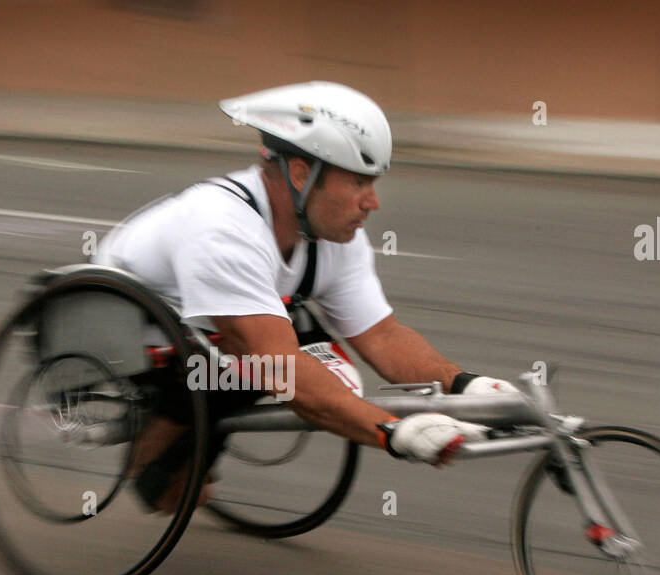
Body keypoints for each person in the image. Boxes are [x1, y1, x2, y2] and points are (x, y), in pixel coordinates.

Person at [94, 81, 519, 513]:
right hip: (123, 339)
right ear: (301, 173)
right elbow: (280, 367)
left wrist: (468, 385)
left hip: (213, 337)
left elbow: (383, 337)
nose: (372, 202)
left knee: (290, 343)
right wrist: (392, 432)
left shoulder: (335, 234)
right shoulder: (222, 229)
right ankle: (156, 437)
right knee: (175, 496)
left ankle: (195, 423)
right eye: (358, 182)